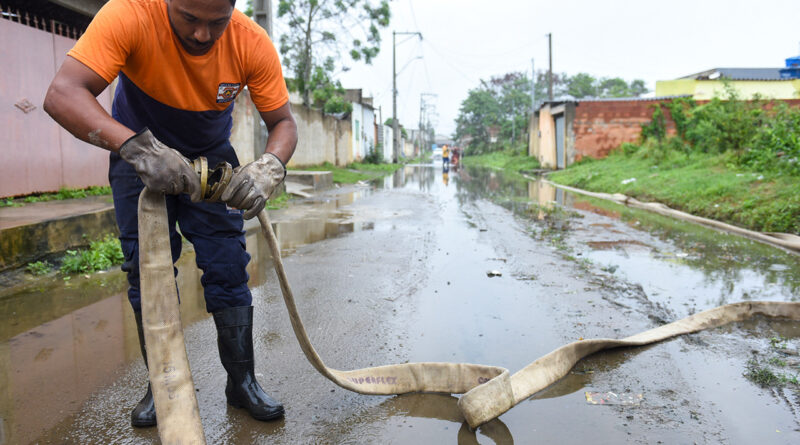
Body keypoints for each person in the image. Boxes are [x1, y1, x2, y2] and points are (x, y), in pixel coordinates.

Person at [43, 0, 298, 428]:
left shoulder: (251, 42)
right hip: (137, 151)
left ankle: (242, 382)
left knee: (229, 266)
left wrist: (269, 167)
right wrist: (137, 149)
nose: (202, 35)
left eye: (216, 23)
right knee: (148, 271)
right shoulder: (129, 14)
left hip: (211, 160)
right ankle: (161, 384)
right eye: (189, 19)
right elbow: (62, 94)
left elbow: (284, 123)